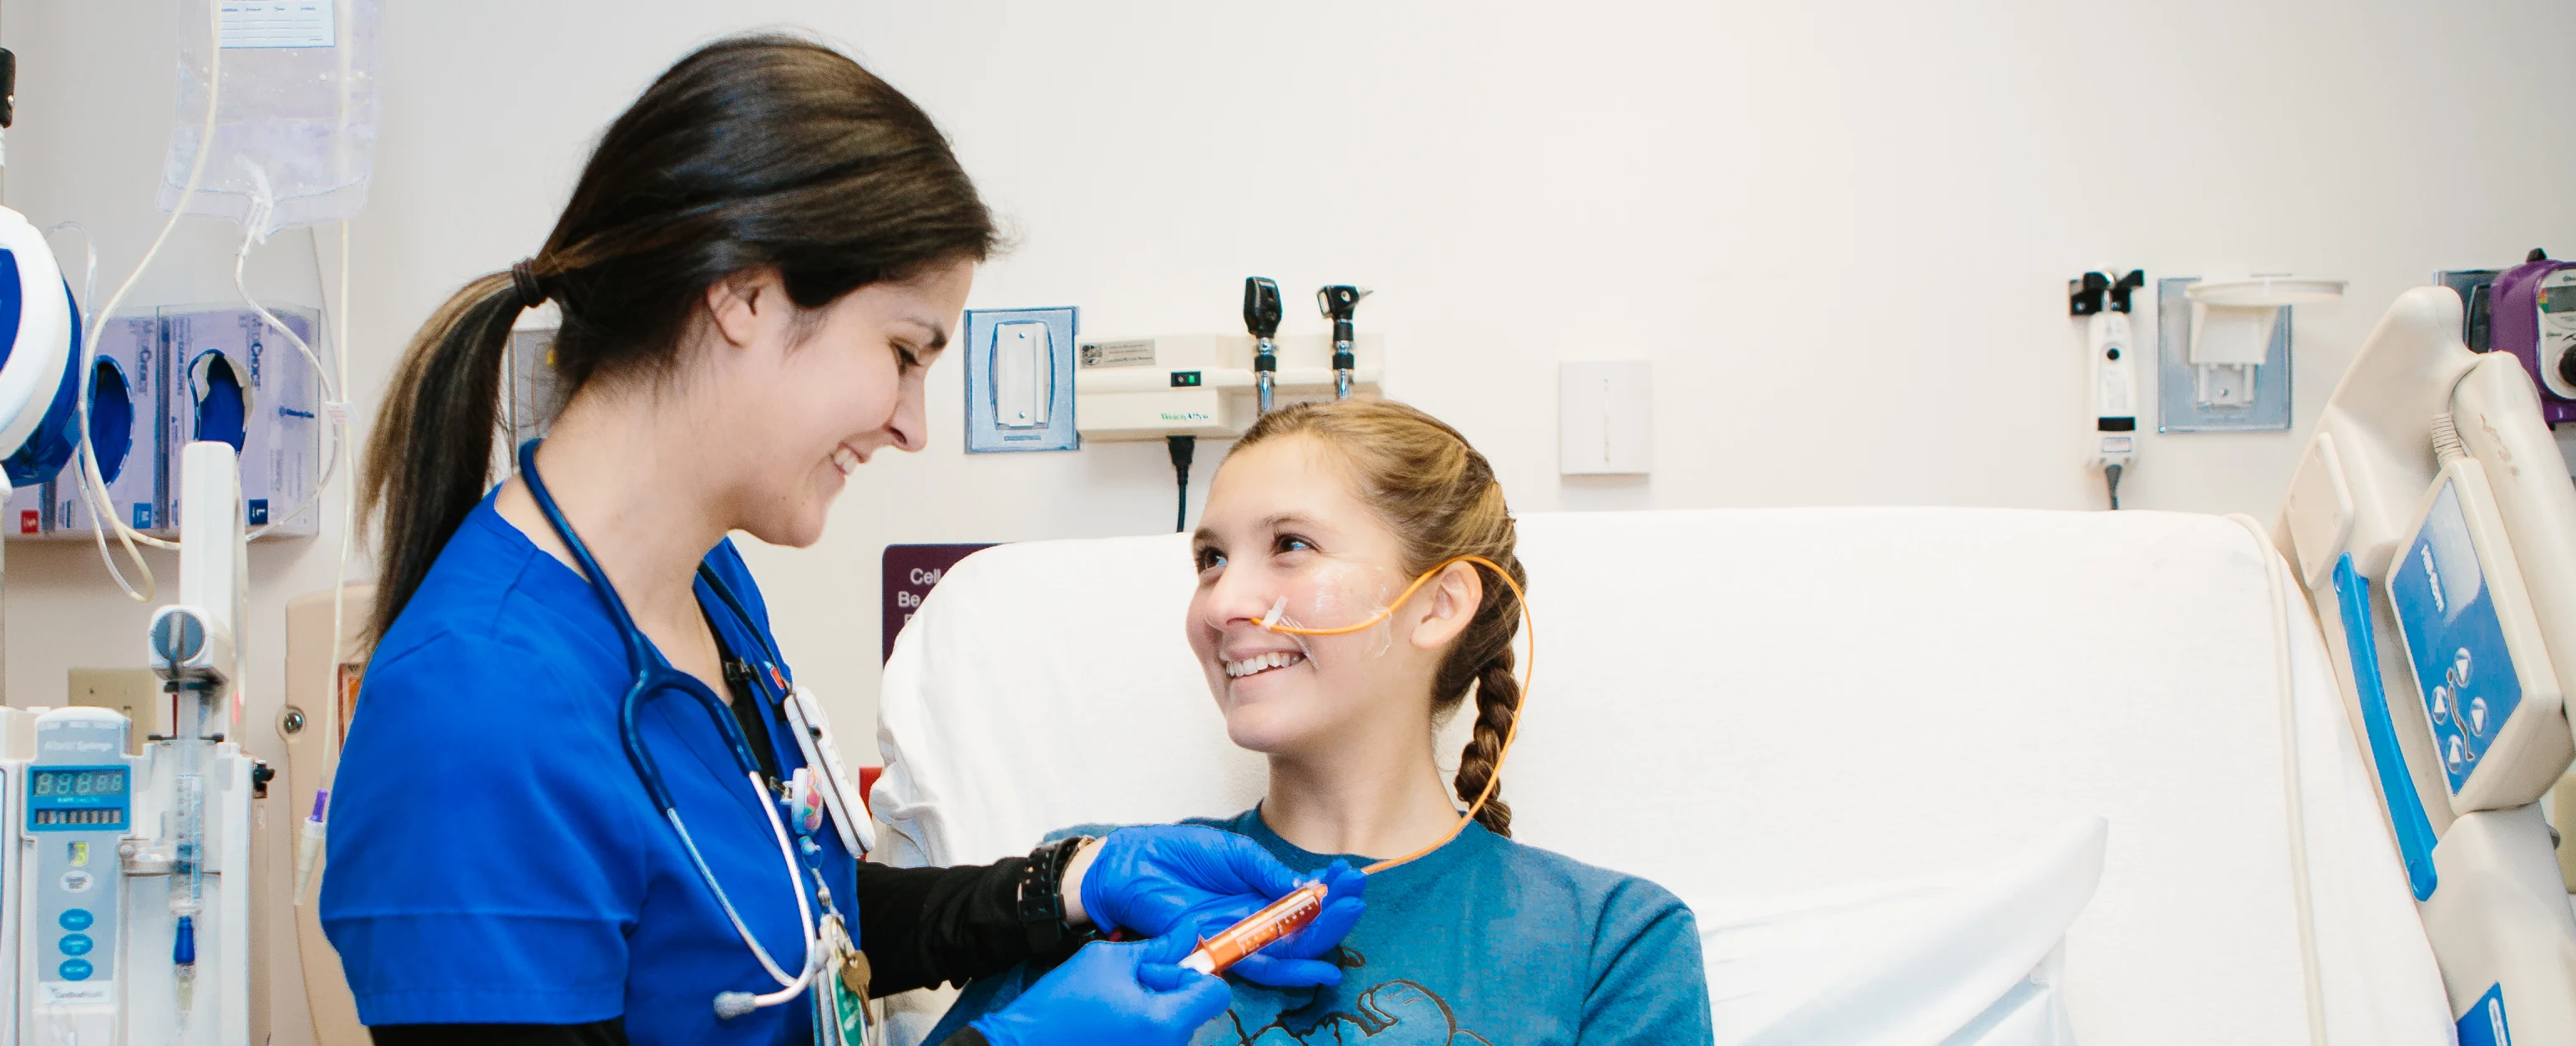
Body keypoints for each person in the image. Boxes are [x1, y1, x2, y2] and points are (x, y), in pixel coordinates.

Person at [321, 34, 1363, 1046]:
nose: (913, 424)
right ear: (744, 293)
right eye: (904, 351)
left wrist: (1069, 884)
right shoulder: (473, 714)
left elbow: (790, 924)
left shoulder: (706, 587)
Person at [930, 399, 1715, 1044]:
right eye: (1209, 559)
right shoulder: (1101, 888)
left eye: (1290, 545)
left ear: (1437, 605)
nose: (1221, 602)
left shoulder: (1611, 942)